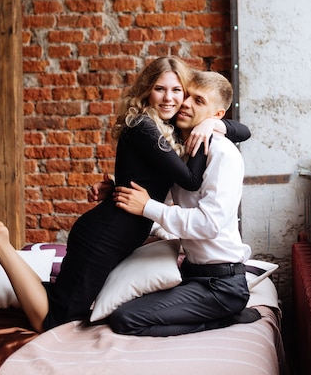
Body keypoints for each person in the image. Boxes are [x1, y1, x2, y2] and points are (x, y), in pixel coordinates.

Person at [0, 57, 250, 333]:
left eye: (180, 92)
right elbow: (189, 182)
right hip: (106, 234)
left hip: (117, 230)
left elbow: (242, 132)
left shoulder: (176, 133)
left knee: (65, 293)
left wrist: (215, 123)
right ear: (147, 91)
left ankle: (8, 264)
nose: (175, 100)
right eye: (161, 89)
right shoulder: (148, 126)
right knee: (54, 321)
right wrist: (147, 205)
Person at [109, 70, 256, 337]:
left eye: (198, 101)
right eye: (186, 96)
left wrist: (147, 207)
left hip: (220, 285)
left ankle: (225, 318)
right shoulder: (181, 148)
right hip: (191, 273)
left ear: (217, 115)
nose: (185, 103)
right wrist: (112, 187)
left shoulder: (223, 154)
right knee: (116, 306)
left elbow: (209, 224)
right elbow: (159, 192)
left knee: (125, 319)